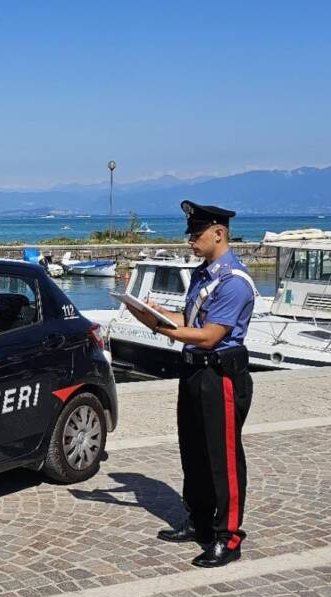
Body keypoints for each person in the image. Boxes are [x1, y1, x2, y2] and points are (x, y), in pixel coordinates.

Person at [125, 200, 255, 568]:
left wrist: (159, 327)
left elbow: (210, 336)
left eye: (197, 233)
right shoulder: (203, 275)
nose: (190, 240)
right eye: (190, 233)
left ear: (219, 233)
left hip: (220, 375)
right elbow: (189, 319)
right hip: (194, 371)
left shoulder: (233, 282)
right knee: (194, 452)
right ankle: (199, 520)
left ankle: (228, 536)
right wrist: (151, 312)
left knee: (222, 458)